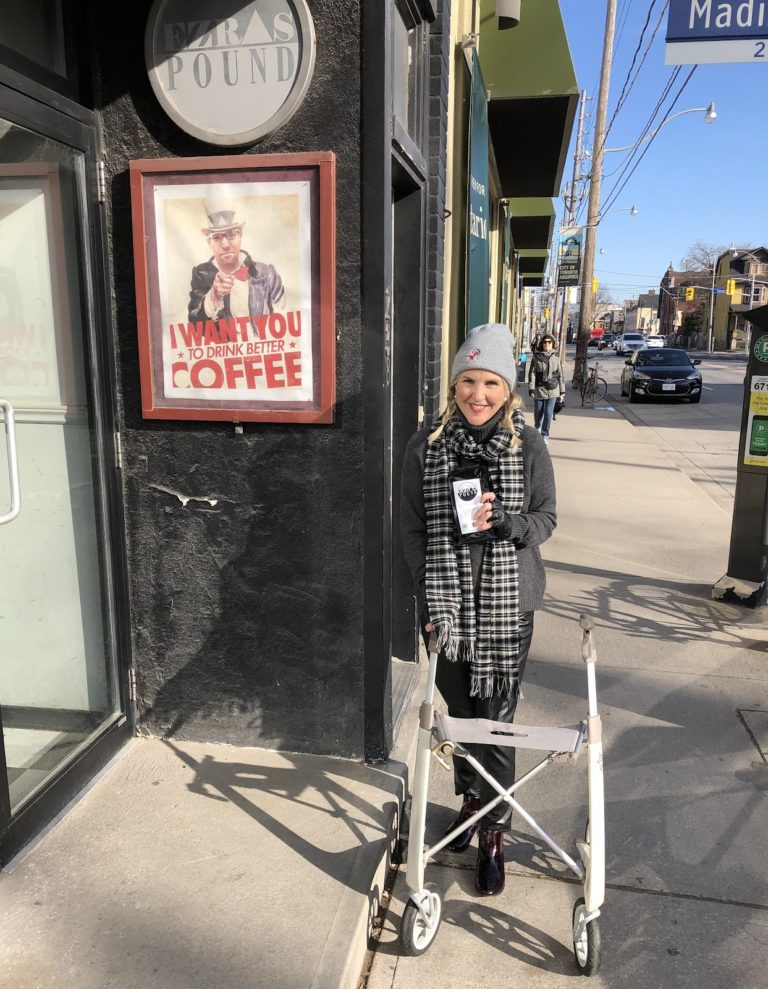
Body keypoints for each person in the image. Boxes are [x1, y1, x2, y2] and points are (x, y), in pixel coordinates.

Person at [400, 322, 557, 897]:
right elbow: (410, 528)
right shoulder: (426, 446)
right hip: (446, 609)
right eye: (469, 380)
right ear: (454, 384)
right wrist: (428, 593)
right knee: (460, 717)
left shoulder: (528, 444)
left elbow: (547, 517)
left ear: (508, 388)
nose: (478, 394)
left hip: (508, 610)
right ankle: (471, 800)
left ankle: (494, 831)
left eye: (491, 382)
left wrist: (510, 527)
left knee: (496, 725)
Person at [188, 206, 285, 325]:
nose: (225, 244)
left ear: (240, 235)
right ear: (210, 242)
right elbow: (194, 324)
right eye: (217, 237)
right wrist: (214, 296)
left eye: (231, 234)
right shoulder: (201, 274)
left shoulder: (266, 273)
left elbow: (287, 314)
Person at [527, 334, 565, 445]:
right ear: (541, 344)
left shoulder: (556, 358)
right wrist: (531, 388)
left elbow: (560, 375)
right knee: (538, 413)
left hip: (553, 389)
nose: (547, 344)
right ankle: (538, 428)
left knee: (548, 413)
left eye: (549, 342)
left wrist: (562, 392)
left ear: (552, 344)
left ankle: (545, 435)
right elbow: (532, 374)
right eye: (545, 342)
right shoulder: (536, 357)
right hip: (539, 388)